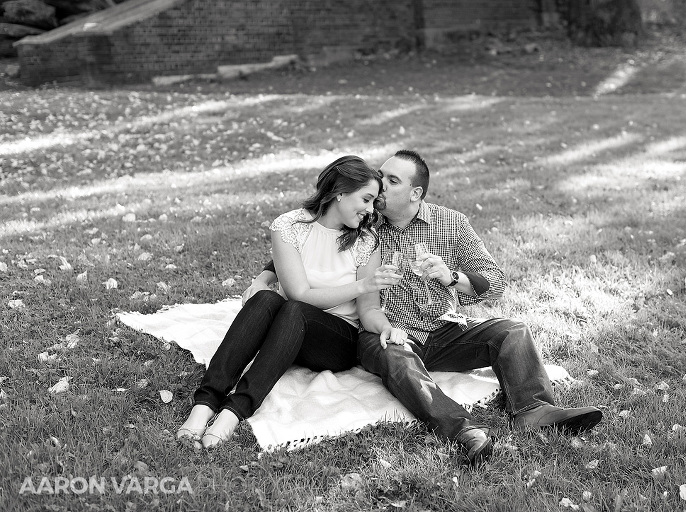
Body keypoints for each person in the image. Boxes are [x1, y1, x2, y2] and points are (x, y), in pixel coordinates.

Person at [252, 150, 603, 466]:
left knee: (512, 330)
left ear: (416, 193)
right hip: (386, 330)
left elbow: (495, 282)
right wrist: (266, 275)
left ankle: (533, 408)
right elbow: (312, 238)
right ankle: (464, 430)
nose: (379, 188)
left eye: (391, 181)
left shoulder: (451, 224)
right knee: (394, 355)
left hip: (444, 328)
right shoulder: (365, 220)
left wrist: (452, 277)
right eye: (380, 178)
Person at [177, 155, 406, 449]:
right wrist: (261, 282)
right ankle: (205, 404)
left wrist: (385, 326)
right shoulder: (289, 226)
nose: (370, 209)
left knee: (294, 309)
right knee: (264, 300)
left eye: (374, 201)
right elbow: (298, 291)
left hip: (336, 340)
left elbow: (368, 309)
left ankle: (234, 411)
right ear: (340, 192)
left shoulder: (365, 241)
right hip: (287, 331)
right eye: (366, 198)